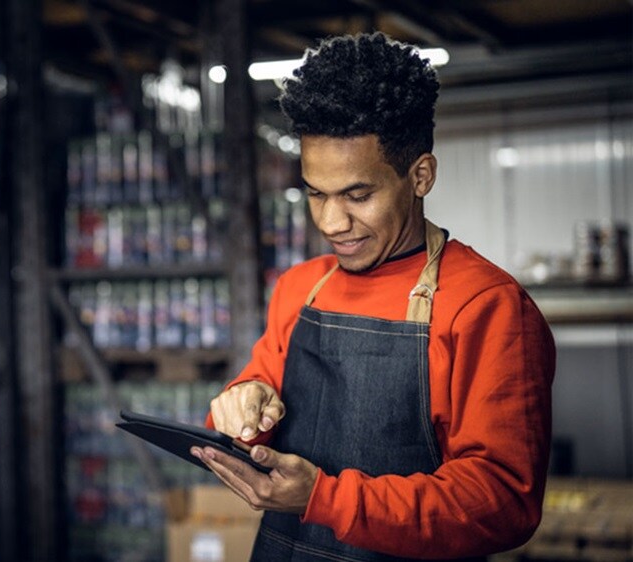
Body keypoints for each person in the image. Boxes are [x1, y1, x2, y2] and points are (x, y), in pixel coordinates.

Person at [191, 32, 556, 561]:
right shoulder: (300, 289)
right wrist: (241, 406)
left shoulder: (487, 307)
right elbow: (254, 403)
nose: (331, 222)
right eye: (316, 193)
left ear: (420, 176)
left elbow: (501, 503)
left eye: (358, 195)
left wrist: (325, 499)